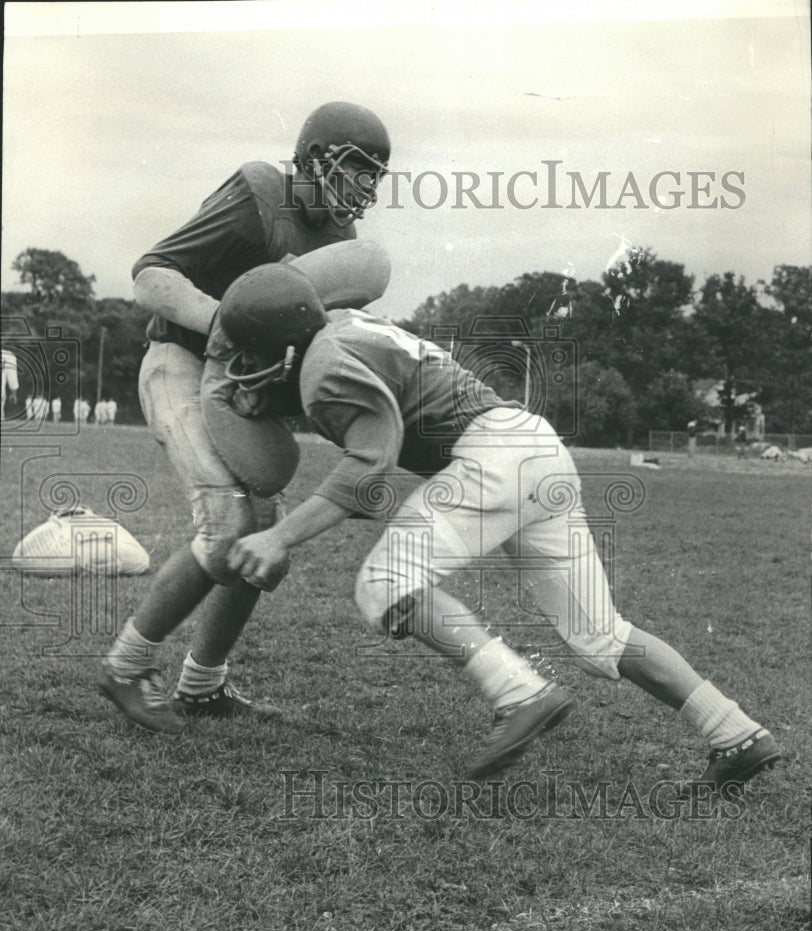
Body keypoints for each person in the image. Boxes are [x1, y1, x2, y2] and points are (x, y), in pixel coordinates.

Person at [218, 258, 781, 786]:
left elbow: (368, 471)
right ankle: (736, 733)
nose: (244, 370)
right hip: (536, 447)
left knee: (384, 583)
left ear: (287, 349)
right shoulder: (343, 322)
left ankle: (519, 693)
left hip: (493, 457)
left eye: (251, 355)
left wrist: (278, 535)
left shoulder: (322, 368)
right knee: (598, 635)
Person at [96, 101, 391, 737]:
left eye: (375, 176)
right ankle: (125, 666)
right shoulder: (264, 192)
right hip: (180, 360)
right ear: (313, 157)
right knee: (229, 521)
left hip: (235, 387)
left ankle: (202, 686)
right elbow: (151, 275)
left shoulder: (340, 245)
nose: (363, 187)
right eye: (355, 168)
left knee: (260, 534)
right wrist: (231, 325)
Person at [1, 348, 19, 420]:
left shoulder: (8, 356)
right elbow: (12, 377)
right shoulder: (8, 355)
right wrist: (13, 393)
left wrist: (13, 393)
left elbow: (12, 377)